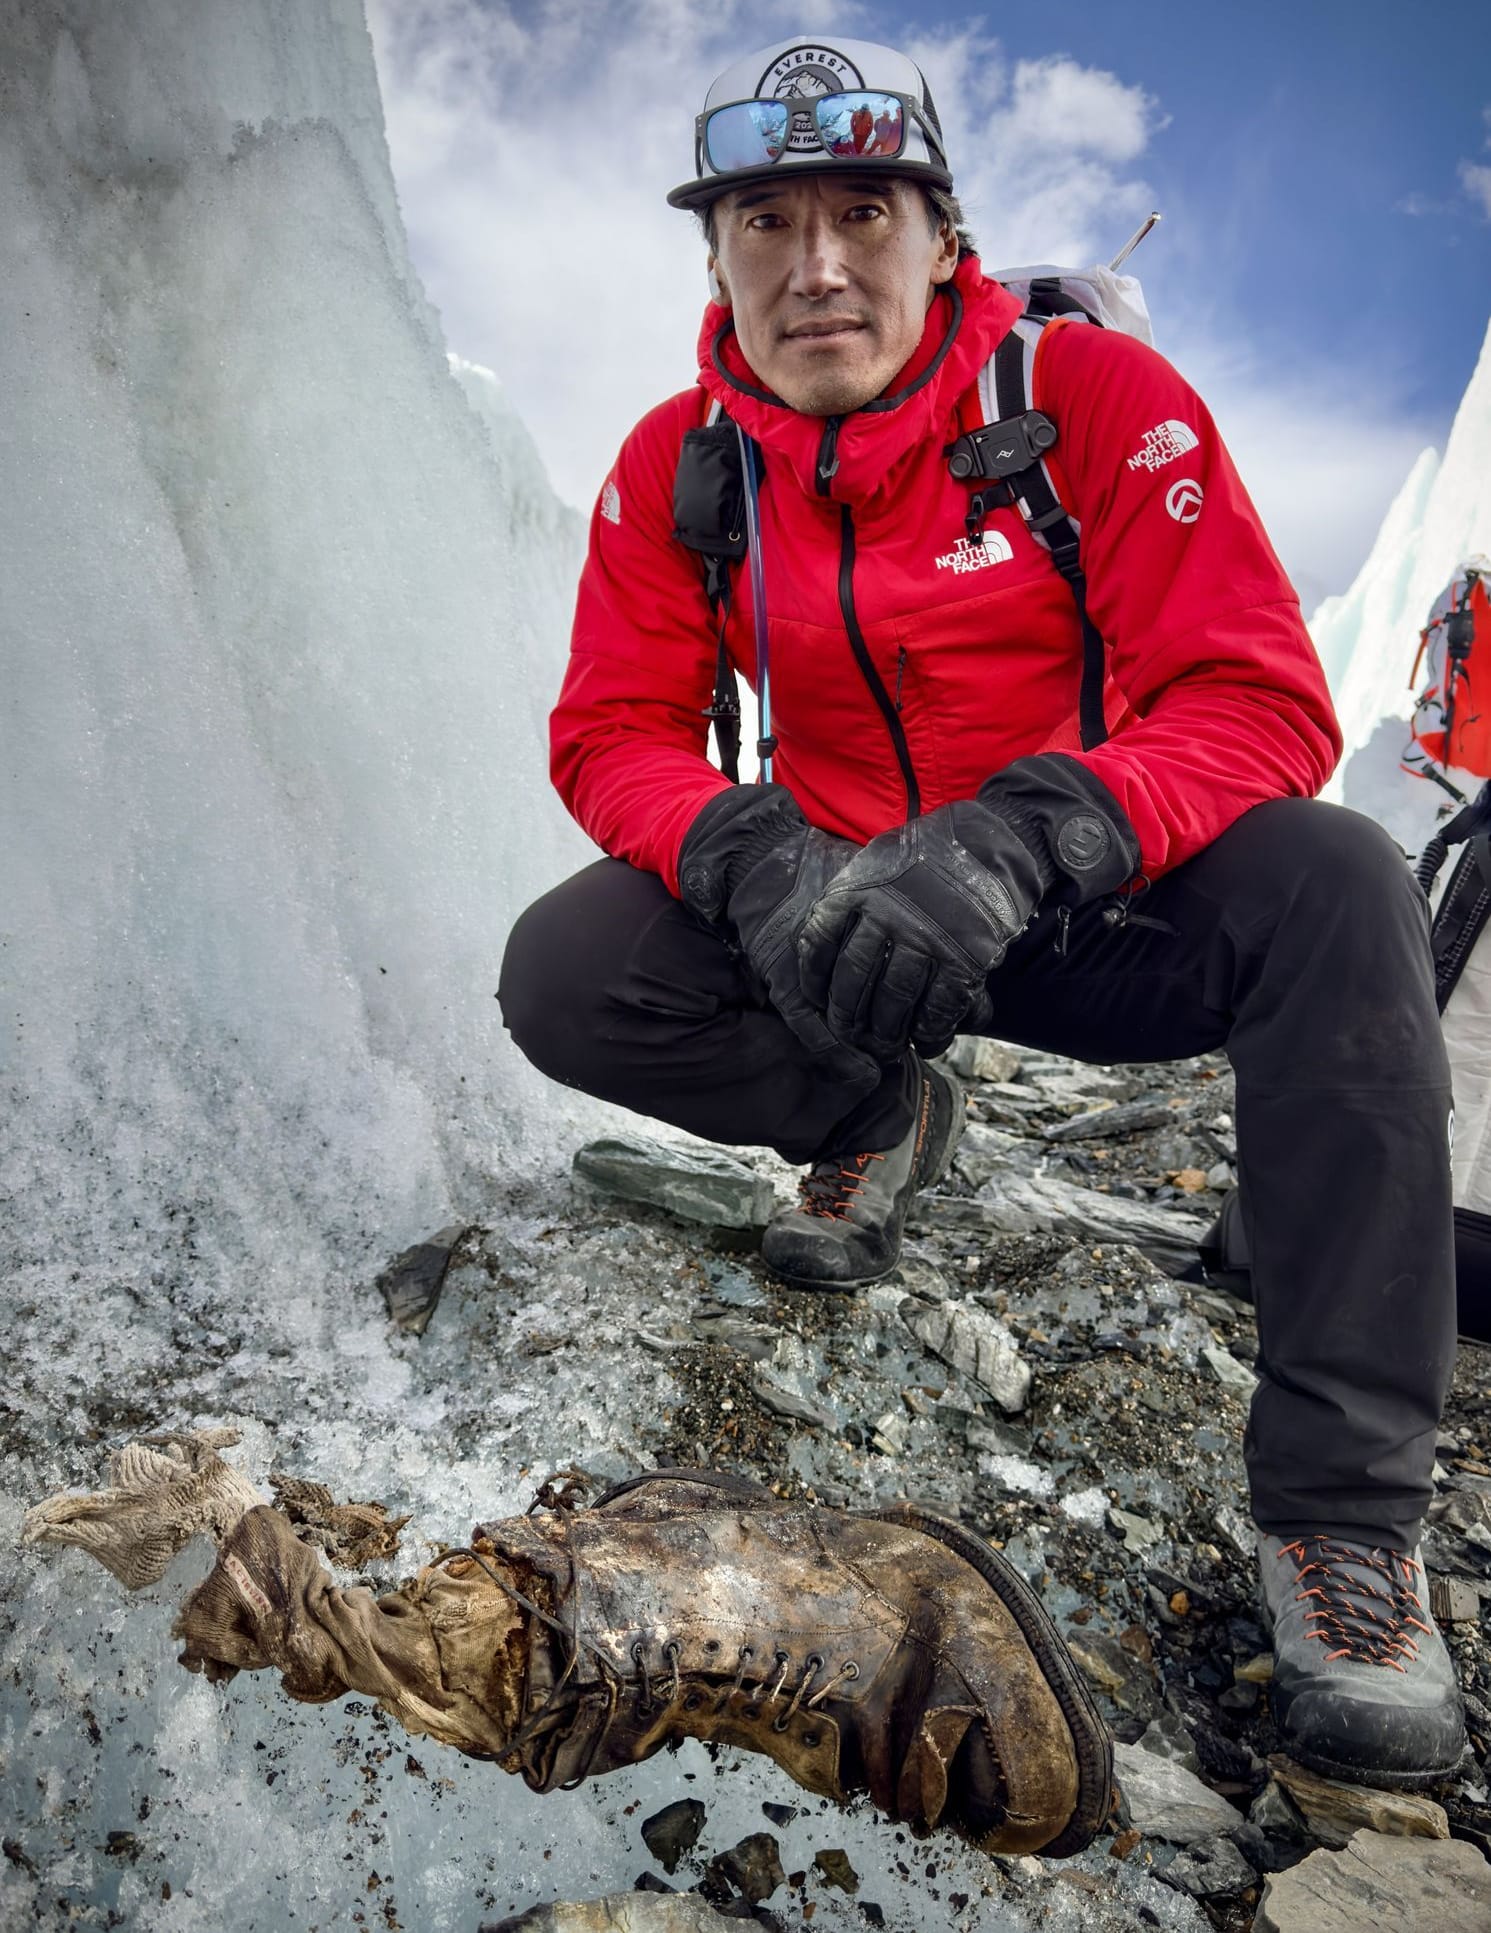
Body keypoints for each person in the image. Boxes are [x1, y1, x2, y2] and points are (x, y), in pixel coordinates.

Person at [499, 33, 1468, 1788]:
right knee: (567, 969)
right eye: (765, 222)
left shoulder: (1089, 401)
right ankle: (879, 1112)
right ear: (712, 260)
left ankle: (1347, 1523)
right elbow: (611, 730)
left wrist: (1040, 827)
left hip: (1094, 910)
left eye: (863, 212)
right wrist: (750, 854)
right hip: (850, 933)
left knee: (1342, 884)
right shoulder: (682, 471)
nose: (816, 265)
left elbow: (1258, 698)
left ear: (945, 236)